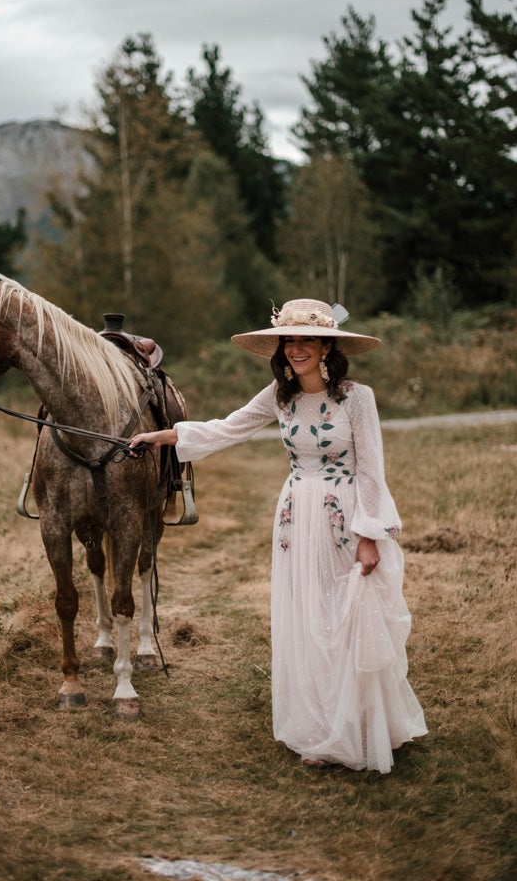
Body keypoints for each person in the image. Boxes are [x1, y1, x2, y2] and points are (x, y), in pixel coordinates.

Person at [130, 299, 427, 773]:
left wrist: (369, 534)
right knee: (306, 615)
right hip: (295, 516)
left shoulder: (356, 397)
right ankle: (318, 727)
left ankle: (360, 725)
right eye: (289, 340)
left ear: (328, 345)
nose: (296, 349)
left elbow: (371, 470)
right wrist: (161, 437)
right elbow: (226, 428)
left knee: (344, 615)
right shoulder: (279, 396)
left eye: (306, 339)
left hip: (343, 514)